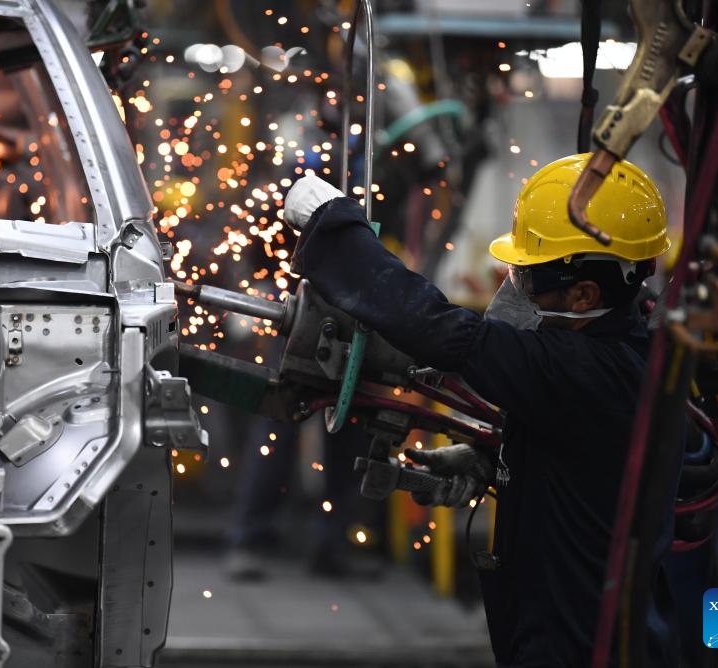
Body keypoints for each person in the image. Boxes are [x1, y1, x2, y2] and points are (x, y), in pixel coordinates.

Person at [281, 153, 679, 667]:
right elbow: (595, 461)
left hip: (581, 646)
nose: (514, 289)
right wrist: (498, 460)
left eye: (529, 278)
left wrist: (333, 224)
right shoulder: (621, 354)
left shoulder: (584, 366)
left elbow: (444, 333)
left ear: (584, 294)